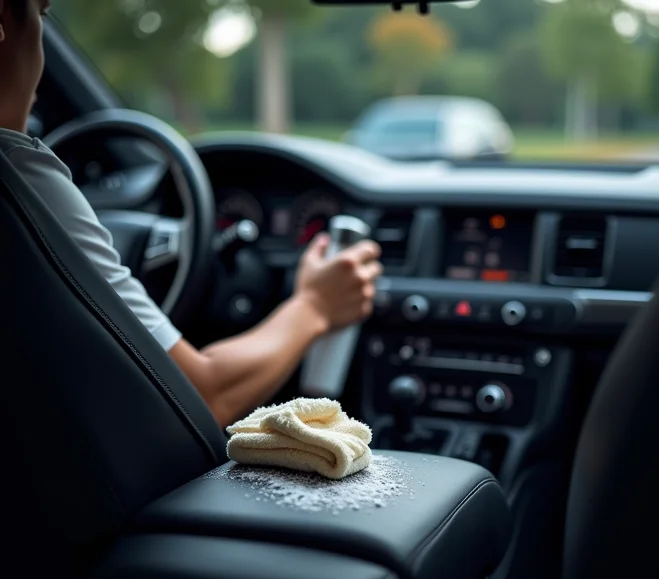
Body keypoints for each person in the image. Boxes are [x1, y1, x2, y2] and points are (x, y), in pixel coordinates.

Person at [0, 0, 382, 428]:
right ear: (3, 20)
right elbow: (201, 395)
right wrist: (316, 305)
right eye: (42, 15)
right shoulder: (19, 175)